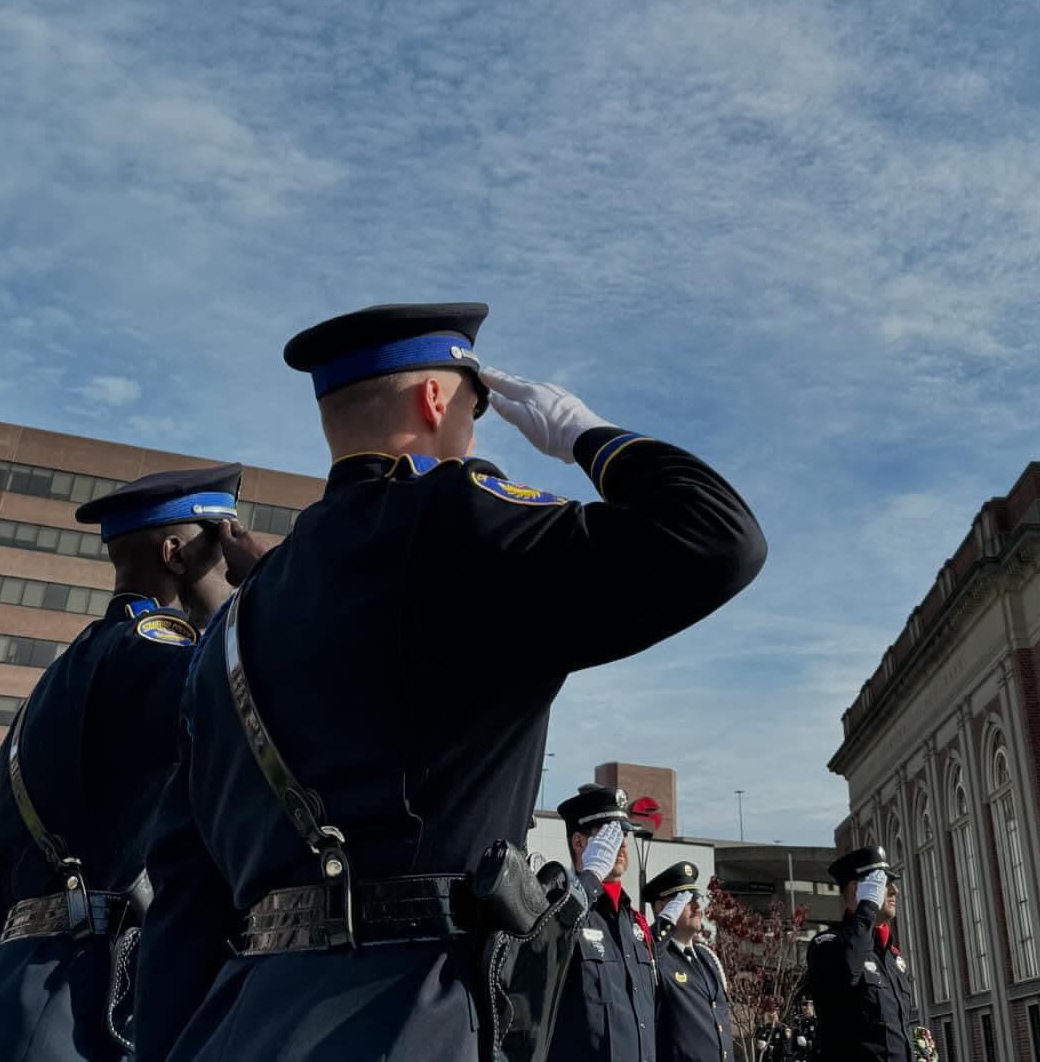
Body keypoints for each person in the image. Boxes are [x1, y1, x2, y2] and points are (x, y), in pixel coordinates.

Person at [134, 301, 767, 1062]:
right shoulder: (455, 521)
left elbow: (182, 892)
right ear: (436, 400)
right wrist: (585, 436)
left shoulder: (232, 628)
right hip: (416, 1018)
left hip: (240, 1024)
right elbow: (716, 537)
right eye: (479, 406)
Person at [0, 464, 252, 1062]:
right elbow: (252, 685)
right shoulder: (160, 657)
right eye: (220, 543)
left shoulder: (51, 685)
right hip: (84, 1005)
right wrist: (251, 591)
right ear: (177, 554)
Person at [549, 783, 656, 1061]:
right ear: (579, 842)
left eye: (622, 833)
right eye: (608, 834)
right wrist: (591, 878)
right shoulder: (558, 907)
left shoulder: (635, 924)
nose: (621, 842)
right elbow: (541, 952)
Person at [805, 847, 934, 1062]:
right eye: (884, 883)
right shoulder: (828, 945)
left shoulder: (891, 955)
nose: (895, 891)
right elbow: (846, 974)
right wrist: (867, 910)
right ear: (857, 890)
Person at [646, 859, 734, 1062]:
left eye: (696, 897)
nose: (696, 906)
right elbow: (644, 952)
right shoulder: (656, 957)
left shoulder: (707, 959)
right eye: (685, 900)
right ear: (661, 907)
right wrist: (662, 925)